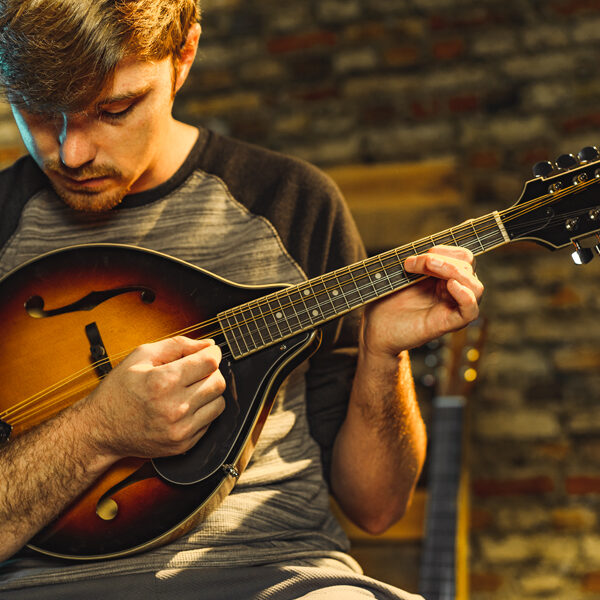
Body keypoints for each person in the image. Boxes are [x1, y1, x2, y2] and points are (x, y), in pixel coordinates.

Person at [0, 1, 483, 598]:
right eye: (41, 111)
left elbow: (377, 508)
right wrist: (101, 429)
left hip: (282, 577)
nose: (72, 153)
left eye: (114, 108)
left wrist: (384, 357)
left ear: (184, 54)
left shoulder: (292, 202)